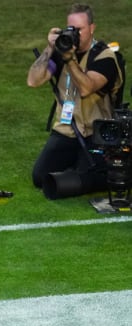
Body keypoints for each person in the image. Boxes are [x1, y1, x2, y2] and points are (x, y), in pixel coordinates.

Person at [27, 3, 123, 199]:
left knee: (94, 174)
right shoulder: (62, 50)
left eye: (79, 30)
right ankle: (77, 167)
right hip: (66, 129)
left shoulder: (105, 57)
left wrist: (70, 60)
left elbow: (86, 87)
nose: (74, 35)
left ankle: (87, 170)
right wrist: (50, 47)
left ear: (92, 28)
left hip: (95, 132)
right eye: (71, 29)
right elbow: (33, 81)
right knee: (39, 176)